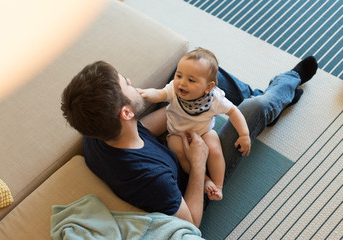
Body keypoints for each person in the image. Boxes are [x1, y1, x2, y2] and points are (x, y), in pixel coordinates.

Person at [61, 52, 318, 227]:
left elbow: (145, 130)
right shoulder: (151, 179)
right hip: (199, 180)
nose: (130, 81)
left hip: (177, 141)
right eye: (125, 84)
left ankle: (267, 95)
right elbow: (192, 221)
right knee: (254, 108)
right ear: (125, 112)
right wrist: (198, 164)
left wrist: (185, 105)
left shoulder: (96, 133)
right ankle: (287, 83)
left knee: (190, 76)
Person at [137, 48, 250, 201]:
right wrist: (145, 94)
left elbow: (233, 112)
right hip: (177, 133)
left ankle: (218, 186)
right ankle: (204, 180)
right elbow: (160, 94)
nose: (182, 83)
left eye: (191, 80)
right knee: (179, 151)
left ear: (208, 88)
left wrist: (244, 134)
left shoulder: (215, 99)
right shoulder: (173, 90)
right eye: (179, 75)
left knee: (215, 150)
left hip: (204, 131)